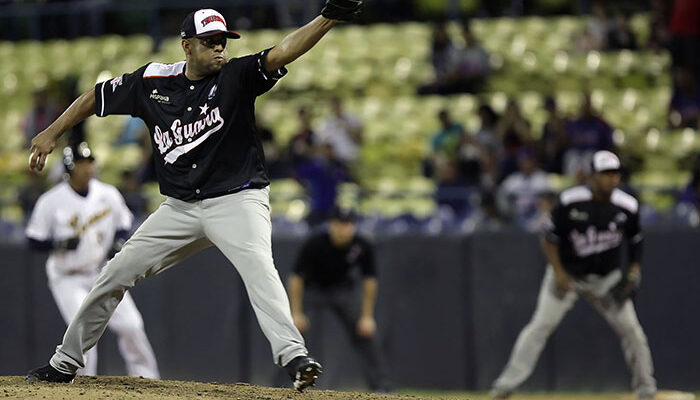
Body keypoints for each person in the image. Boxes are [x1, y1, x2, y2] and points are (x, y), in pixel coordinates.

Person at [25, 1, 364, 392]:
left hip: (238, 199)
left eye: (223, 40)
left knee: (260, 269)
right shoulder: (152, 81)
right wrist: (52, 131)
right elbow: (94, 97)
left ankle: (294, 356)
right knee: (115, 273)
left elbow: (283, 51)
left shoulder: (236, 75)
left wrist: (327, 18)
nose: (219, 47)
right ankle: (65, 362)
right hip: (180, 207)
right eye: (209, 41)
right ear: (186, 45)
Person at [490, 150, 657, 400]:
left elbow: (635, 241)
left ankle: (646, 390)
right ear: (592, 175)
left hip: (605, 279)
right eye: (605, 174)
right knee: (539, 327)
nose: (611, 179)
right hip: (569, 273)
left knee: (633, 332)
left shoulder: (627, 205)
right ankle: (504, 387)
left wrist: (634, 269)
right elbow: (549, 237)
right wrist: (558, 272)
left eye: (614, 174)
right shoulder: (571, 200)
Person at [25, 142, 160, 379]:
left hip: (102, 272)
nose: (87, 168)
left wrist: (119, 241)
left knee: (132, 326)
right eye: (81, 164)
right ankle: (83, 385)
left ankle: (148, 379)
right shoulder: (51, 201)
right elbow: (34, 239)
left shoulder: (107, 194)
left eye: (89, 163)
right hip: (68, 278)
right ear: (70, 168)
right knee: (83, 335)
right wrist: (58, 244)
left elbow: (124, 224)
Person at [288, 207, 391, 392]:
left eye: (349, 224)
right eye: (340, 224)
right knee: (292, 335)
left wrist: (367, 316)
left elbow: (370, 280)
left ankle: (381, 388)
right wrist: (296, 313)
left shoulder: (361, 245)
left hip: (341, 291)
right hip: (314, 290)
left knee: (365, 334)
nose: (344, 229)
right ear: (330, 225)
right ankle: (281, 385)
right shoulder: (315, 243)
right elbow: (296, 277)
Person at [316, 96, 363, 165]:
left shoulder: (352, 118)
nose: (336, 107)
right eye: (333, 105)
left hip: (351, 156)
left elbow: (360, 139)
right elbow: (323, 142)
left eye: (337, 104)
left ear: (341, 105)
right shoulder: (327, 122)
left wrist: (347, 127)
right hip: (335, 159)